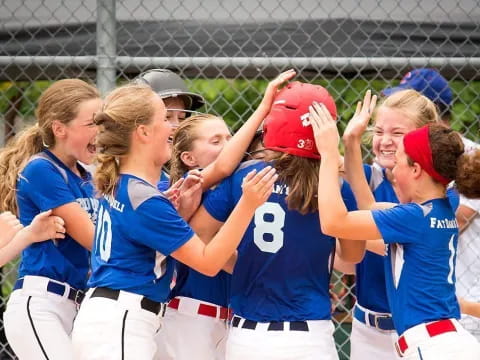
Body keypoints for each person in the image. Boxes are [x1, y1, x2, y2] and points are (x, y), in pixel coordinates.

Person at [70, 83, 277, 360]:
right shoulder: (146, 199)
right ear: (143, 132)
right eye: (165, 119)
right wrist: (247, 204)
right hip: (120, 321)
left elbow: (144, 243)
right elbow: (208, 261)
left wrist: (179, 211)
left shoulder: (125, 183)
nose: (173, 128)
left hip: (115, 317)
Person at [189, 81, 365, 360]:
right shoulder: (336, 187)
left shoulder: (246, 176)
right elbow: (353, 258)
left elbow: (199, 232)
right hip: (309, 335)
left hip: (248, 335)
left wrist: (241, 262)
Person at [310, 99, 480, 359]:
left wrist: (329, 156)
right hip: (441, 340)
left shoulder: (413, 217)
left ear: (415, 170)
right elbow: (368, 204)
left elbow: (333, 221)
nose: (393, 168)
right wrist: (350, 144)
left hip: (432, 346)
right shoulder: (446, 202)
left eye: (399, 162)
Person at [340, 89, 448, 360]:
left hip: (421, 329)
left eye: (397, 134)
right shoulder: (366, 177)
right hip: (367, 328)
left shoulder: (441, 194)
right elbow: (346, 256)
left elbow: (378, 234)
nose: (385, 141)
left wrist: (349, 146)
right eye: (378, 131)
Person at [0, 79, 102, 360]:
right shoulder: (42, 169)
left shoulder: (88, 175)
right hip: (43, 304)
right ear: (60, 129)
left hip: (78, 305)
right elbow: (97, 241)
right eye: (92, 123)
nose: (100, 131)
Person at [384, 67, 480, 342]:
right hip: (442, 303)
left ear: (431, 114)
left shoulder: (467, 157)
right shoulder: (411, 160)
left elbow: (448, 221)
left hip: (467, 300)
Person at [135, 68, 206, 181]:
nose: (177, 126)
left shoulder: (175, 178)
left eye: (181, 118)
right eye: (166, 117)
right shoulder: (116, 175)